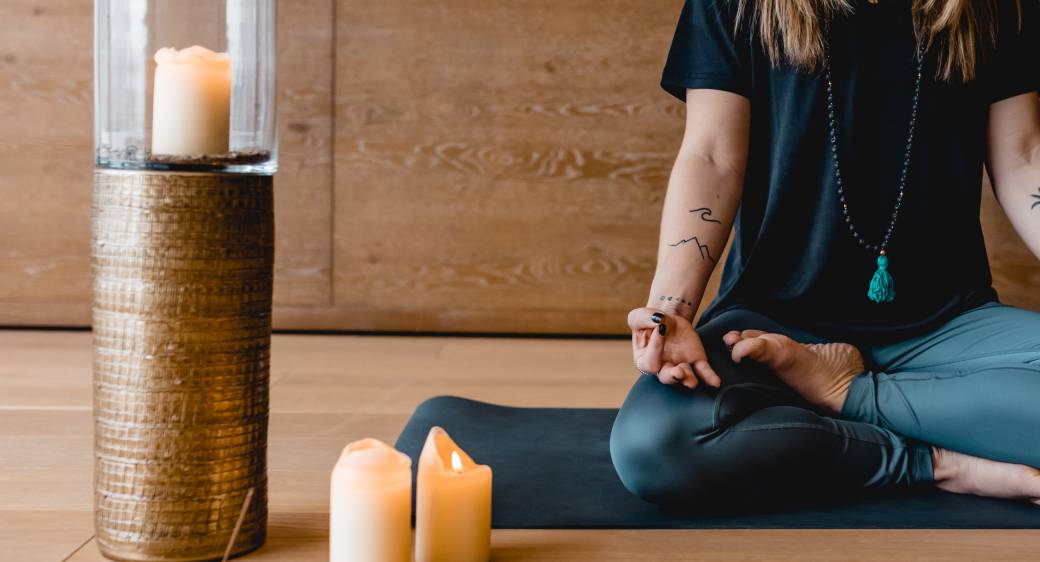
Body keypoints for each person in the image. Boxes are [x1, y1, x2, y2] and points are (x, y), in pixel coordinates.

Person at [610, 0, 1040, 510]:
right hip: (772, 332)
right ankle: (940, 462)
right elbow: (711, 156)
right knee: (654, 446)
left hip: (949, 327)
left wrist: (850, 393)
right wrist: (670, 312)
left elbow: (1024, 158)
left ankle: (845, 395)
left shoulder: (1001, 7)